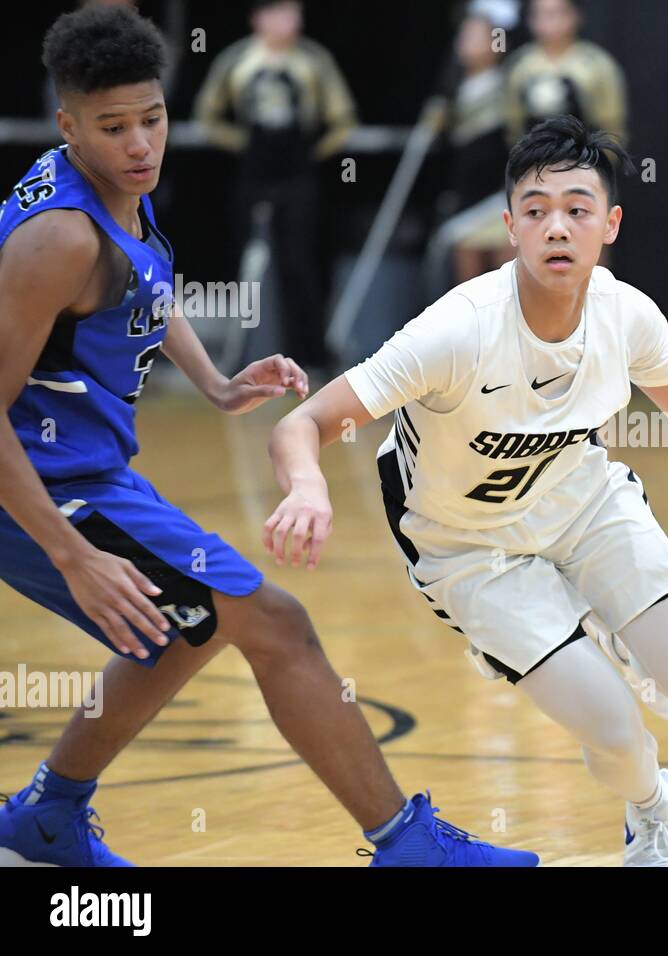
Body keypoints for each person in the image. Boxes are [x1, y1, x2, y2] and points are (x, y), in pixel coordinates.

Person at [263, 115, 668, 866]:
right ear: (509, 226)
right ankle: (653, 809)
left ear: (610, 224)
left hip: (585, 506)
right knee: (612, 729)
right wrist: (308, 488)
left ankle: (601, 621)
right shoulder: (455, 331)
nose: (557, 227)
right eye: (536, 210)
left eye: (577, 208)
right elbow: (304, 421)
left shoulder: (625, 314)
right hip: (469, 548)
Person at [0, 6, 536, 868]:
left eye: (153, 118)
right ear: (68, 125)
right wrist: (70, 553)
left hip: (88, 469)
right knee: (274, 622)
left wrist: (213, 381)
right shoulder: (58, 237)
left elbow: (139, 283)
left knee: (186, 628)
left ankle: (47, 815)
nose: (141, 143)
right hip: (40, 485)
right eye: (114, 128)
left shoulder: (103, 189)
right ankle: (405, 846)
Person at [193, 0, 357, 375]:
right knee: (246, 259)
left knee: (299, 262)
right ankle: (240, 355)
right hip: (252, 173)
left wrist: (313, 153)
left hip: (298, 175)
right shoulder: (237, 60)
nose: (290, 20)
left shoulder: (314, 60)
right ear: (258, 18)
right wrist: (242, 144)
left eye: (295, 12)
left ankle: (309, 355)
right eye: (281, 12)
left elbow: (342, 117)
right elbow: (207, 113)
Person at [425, 11, 515, 287]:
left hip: (501, 193)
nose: (467, 43)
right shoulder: (451, 91)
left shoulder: (510, 84)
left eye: (477, 36)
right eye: (464, 36)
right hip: (466, 196)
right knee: (469, 288)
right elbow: (439, 142)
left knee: (508, 284)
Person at [504, 0, 627, 144]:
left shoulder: (597, 63)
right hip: (533, 158)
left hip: (585, 158)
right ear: (530, 19)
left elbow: (612, 124)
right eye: (541, 13)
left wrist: (601, 162)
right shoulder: (520, 64)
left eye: (558, 12)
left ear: (576, 15)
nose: (550, 20)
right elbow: (512, 124)